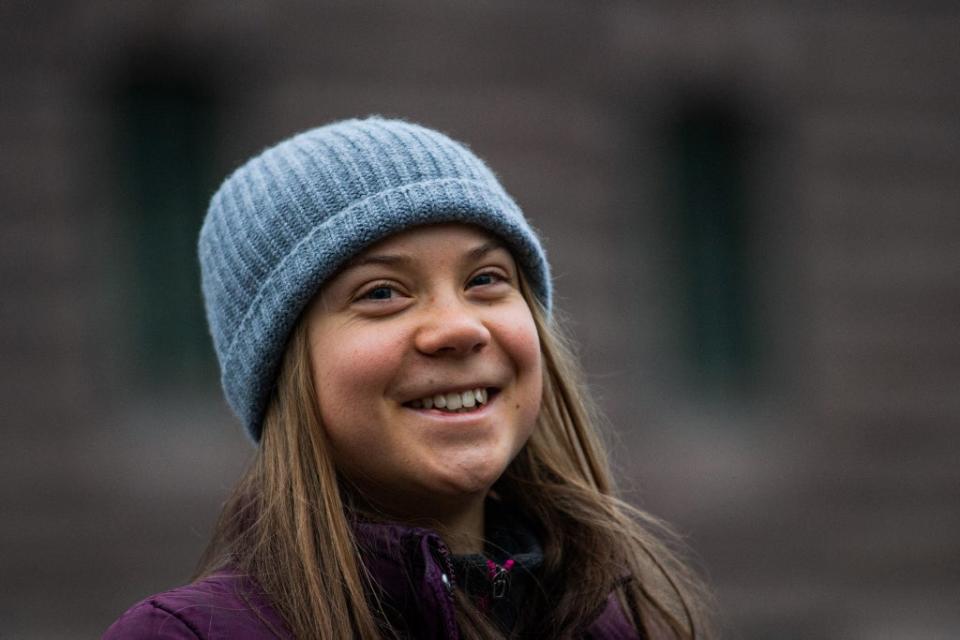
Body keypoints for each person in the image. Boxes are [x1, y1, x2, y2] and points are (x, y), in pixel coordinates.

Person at [104, 117, 711, 639]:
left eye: (486, 280)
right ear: (280, 372)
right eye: (383, 292)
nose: (458, 328)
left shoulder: (613, 624)